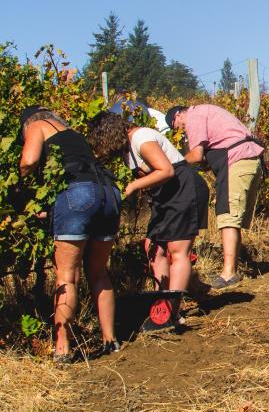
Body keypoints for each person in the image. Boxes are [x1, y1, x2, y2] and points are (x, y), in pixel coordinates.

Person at [18, 107, 121, 362]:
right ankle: (110, 339)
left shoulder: (37, 125)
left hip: (78, 193)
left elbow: (29, 161)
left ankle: (62, 348)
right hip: (108, 193)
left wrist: (19, 185)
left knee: (67, 275)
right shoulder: (73, 135)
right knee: (98, 272)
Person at [86, 112, 209, 296]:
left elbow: (166, 170)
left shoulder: (140, 138)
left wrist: (133, 186)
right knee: (153, 248)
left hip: (184, 188)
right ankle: (161, 299)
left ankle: (170, 310)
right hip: (167, 195)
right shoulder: (127, 147)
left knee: (178, 250)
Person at [166, 104, 264, 290]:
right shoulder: (206, 112)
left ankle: (228, 273)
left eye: (174, 124)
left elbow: (196, 156)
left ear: (178, 115)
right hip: (248, 160)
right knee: (232, 218)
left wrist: (172, 164)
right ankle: (232, 267)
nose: (178, 129)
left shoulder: (194, 116)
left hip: (236, 160)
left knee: (227, 217)